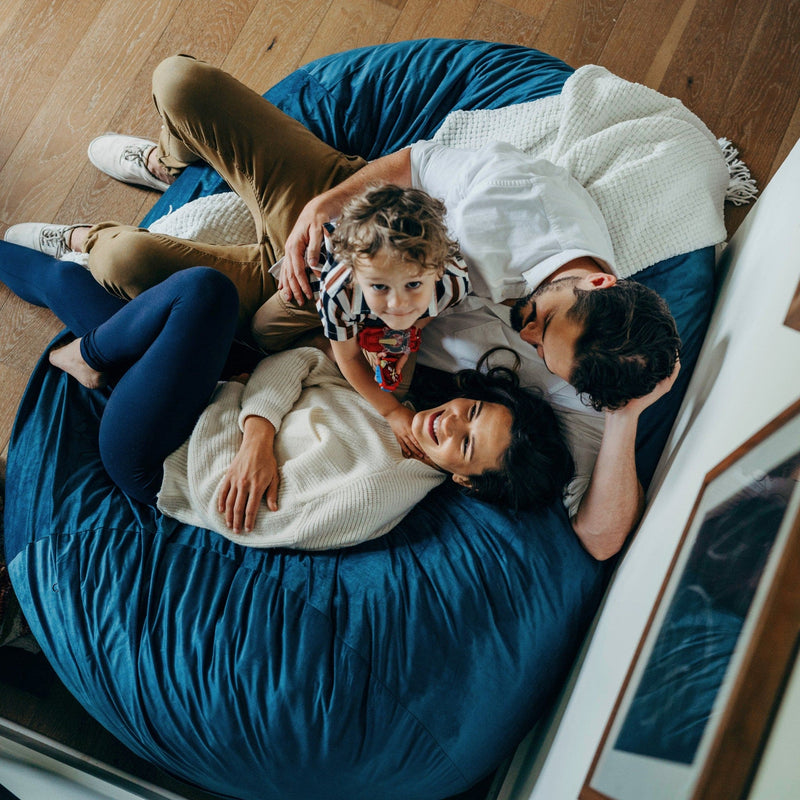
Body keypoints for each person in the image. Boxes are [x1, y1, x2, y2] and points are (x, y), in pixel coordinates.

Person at [2, 54, 680, 558]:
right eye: (544, 322)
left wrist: (627, 415)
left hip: (298, 342)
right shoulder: (526, 198)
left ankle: (87, 244)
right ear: (597, 286)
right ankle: (172, 165)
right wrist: (324, 210)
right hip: (363, 229)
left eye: (542, 356)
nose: (526, 334)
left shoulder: (576, 388)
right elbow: (414, 164)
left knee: (125, 264)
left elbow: (601, 538)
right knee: (181, 83)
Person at [0, 244, 574, 548]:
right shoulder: (397, 401)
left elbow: (243, 514)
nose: (448, 423)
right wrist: (259, 433)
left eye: (465, 445)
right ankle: (96, 352)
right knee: (66, 281)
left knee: (205, 293)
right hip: (210, 394)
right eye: (471, 412)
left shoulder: (376, 493)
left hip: (162, 456)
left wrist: (247, 431)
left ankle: (90, 357)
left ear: (466, 481)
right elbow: (297, 362)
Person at [253, 183, 470, 456]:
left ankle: (336, 339)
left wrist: (407, 333)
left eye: (413, 284)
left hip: (368, 320)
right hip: (319, 291)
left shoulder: (453, 283)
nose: (398, 304)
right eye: (380, 287)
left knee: (393, 390)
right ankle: (334, 339)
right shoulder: (339, 290)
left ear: (437, 271)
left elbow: (430, 310)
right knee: (263, 332)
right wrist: (391, 413)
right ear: (356, 277)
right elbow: (349, 359)